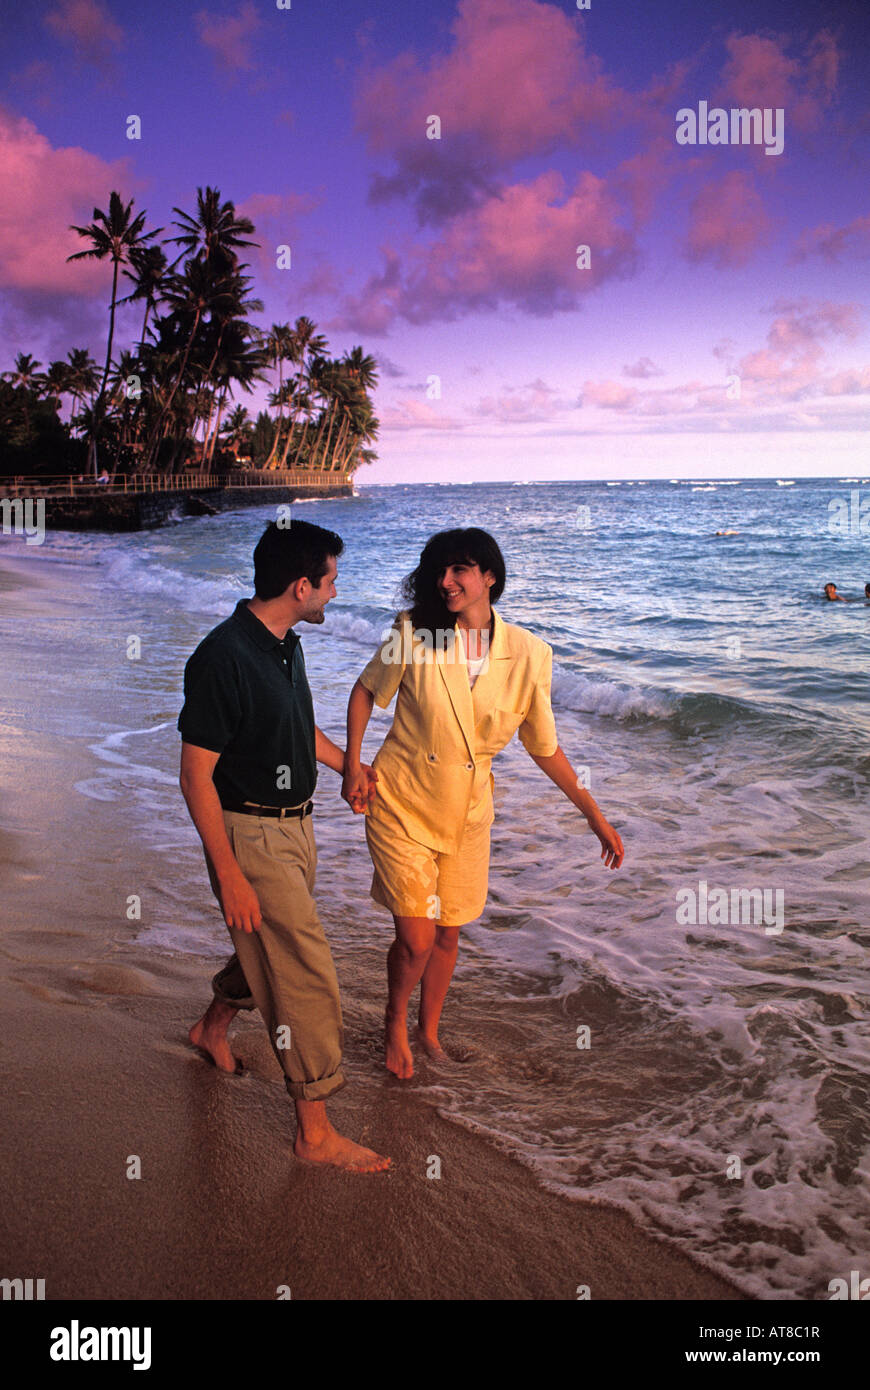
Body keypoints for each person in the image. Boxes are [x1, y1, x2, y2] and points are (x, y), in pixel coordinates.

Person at [343, 528, 625, 1080]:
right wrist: (353, 764)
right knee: (418, 935)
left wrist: (595, 815)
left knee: (449, 932)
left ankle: (429, 1030)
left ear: (489, 576)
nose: (446, 582)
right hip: (401, 800)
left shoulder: (529, 654)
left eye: (459, 571)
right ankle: (395, 1021)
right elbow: (364, 692)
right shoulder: (413, 631)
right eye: (440, 571)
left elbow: (544, 747)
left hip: (469, 814)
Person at [179, 518, 389, 1173]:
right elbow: (195, 775)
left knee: (263, 953)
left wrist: (346, 766)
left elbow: (297, 730)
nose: (334, 594)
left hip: (298, 827)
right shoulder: (222, 657)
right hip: (250, 836)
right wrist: (230, 874)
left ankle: (210, 1027)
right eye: (330, 583)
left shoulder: (285, 643)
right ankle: (315, 1134)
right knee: (304, 974)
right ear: (301, 586)